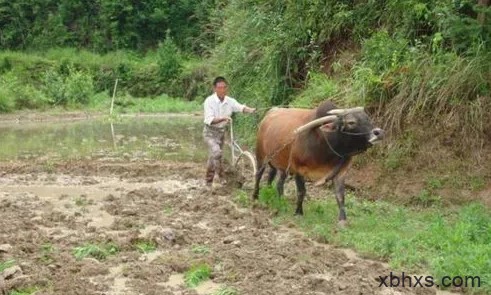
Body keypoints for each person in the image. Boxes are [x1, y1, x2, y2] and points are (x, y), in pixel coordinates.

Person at [203, 76, 256, 187]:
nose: (222, 90)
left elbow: (241, 107)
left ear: (226, 88)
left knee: (214, 157)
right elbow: (210, 120)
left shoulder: (230, 101)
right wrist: (223, 118)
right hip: (210, 133)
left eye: (224, 87)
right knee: (217, 153)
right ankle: (222, 177)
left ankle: (208, 181)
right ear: (215, 89)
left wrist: (250, 110)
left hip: (221, 133)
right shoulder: (209, 101)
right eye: (219, 88)